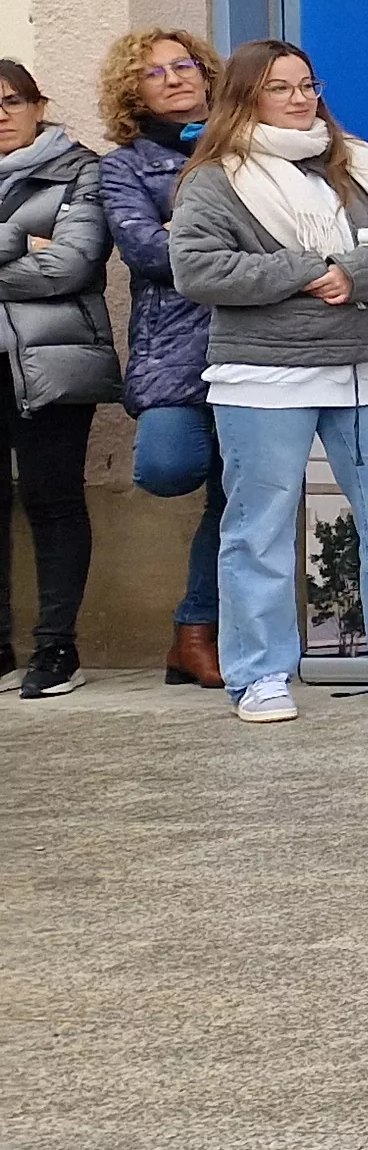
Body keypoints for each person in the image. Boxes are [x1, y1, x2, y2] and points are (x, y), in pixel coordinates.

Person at [167, 41, 368, 726]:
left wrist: (354, 276)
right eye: (280, 87)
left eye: (307, 85)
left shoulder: (357, 167)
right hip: (261, 376)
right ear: (247, 96)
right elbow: (200, 271)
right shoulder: (215, 178)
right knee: (259, 530)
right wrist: (308, 269)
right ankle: (259, 676)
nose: (299, 98)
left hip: (365, 369)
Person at [101, 29, 227, 690]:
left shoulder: (245, 147)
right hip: (174, 352)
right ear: (134, 92)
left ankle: (197, 630)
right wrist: (222, 244)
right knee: (170, 466)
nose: (174, 78)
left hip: (253, 345)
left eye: (184, 66)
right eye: (154, 73)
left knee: (236, 494)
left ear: (208, 76)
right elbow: (149, 253)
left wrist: (191, 236)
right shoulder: (122, 166)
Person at [0, 59, 115, 698]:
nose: (0, 115)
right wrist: (21, 242)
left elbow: (66, 268)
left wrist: (42, 254)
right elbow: (35, 260)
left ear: (37, 105)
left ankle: (55, 650)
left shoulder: (80, 169)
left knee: (52, 498)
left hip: (51, 359)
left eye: (10, 101)